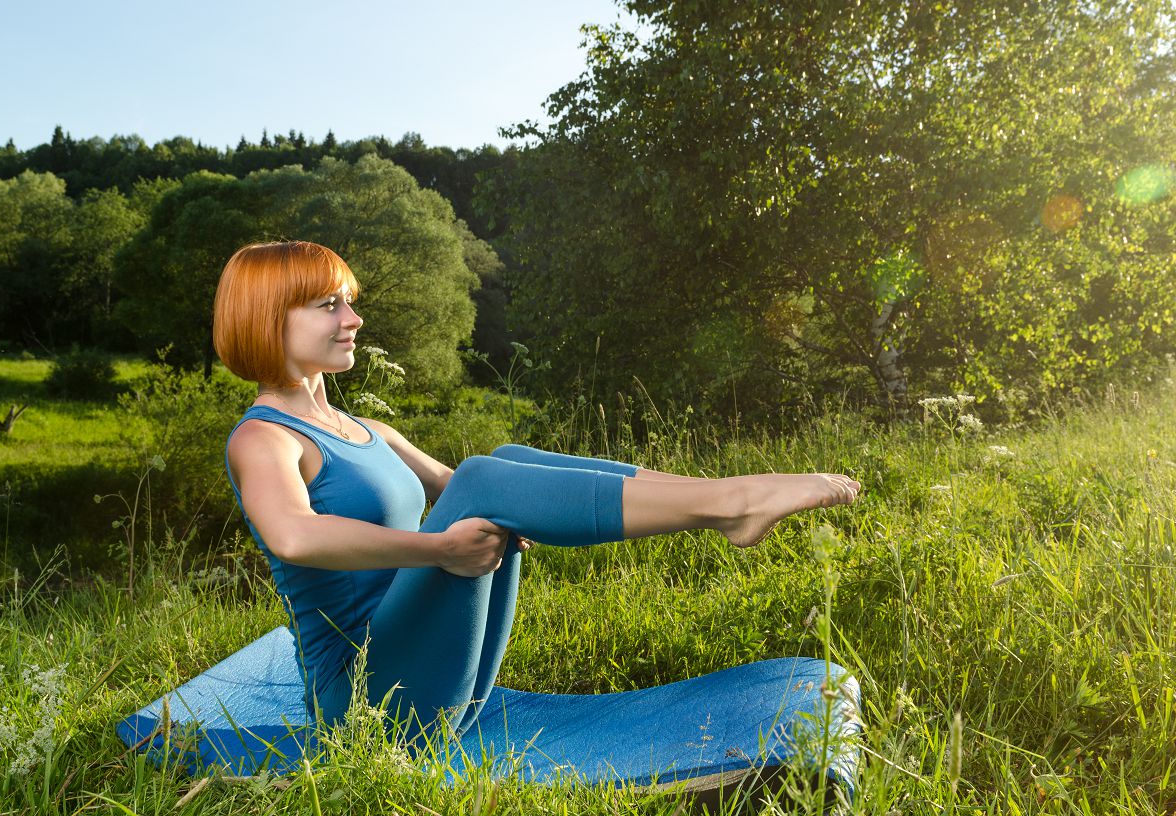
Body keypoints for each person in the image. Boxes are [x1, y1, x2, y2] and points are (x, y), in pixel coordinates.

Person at [215, 240, 860, 747]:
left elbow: (488, 481)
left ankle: (722, 498)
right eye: (330, 305)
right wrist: (438, 549)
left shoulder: (366, 430)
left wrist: (469, 524)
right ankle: (730, 505)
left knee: (500, 463)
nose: (353, 319)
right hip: (362, 703)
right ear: (270, 318)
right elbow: (294, 536)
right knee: (483, 476)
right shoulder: (264, 439)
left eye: (349, 301)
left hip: (434, 678)